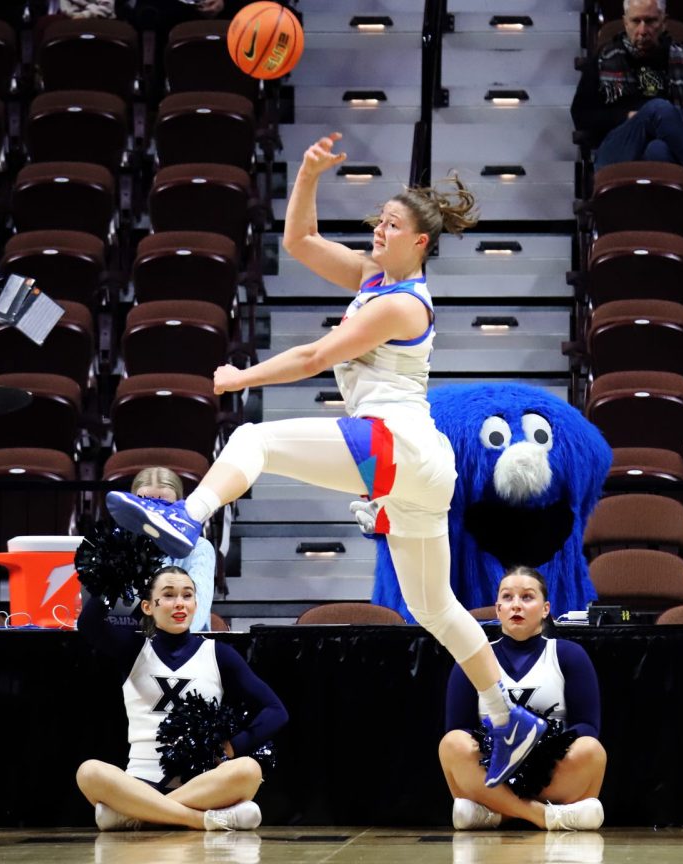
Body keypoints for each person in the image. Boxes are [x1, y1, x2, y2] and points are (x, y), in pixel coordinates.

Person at [107, 131, 548, 789]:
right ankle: (506, 715)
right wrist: (309, 173)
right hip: (420, 466)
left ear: (419, 242)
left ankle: (188, 516)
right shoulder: (374, 277)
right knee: (434, 607)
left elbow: (318, 357)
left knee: (253, 441)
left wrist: (239, 378)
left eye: (391, 225)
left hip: (397, 443)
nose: (379, 231)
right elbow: (299, 244)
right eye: (378, 221)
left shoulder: (402, 301)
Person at [76, 565, 286, 831]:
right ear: (148, 607)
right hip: (140, 781)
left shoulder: (218, 653)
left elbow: (275, 710)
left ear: (196, 604)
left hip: (202, 784)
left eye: (187, 596)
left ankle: (136, 815)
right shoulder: (133, 650)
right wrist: (114, 576)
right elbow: (89, 624)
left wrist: (232, 747)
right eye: (169, 595)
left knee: (248, 770)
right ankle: (200, 819)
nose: (179, 603)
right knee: (89, 772)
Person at [439, 567, 605, 832]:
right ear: (497, 609)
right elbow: (457, 727)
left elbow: (588, 725)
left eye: (527, 597)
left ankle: (496, 814)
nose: (516, 604)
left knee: (592, 750)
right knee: (452, 745)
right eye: (507, 597)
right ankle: (545, 816)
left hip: (549, 769)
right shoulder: (471, 660)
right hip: (492, 768)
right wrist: (500, 749)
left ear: (545, 609)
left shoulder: (569, 655)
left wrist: (538, 750)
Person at [570, 0, 683, 183]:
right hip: (616, 151)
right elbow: (581, 116)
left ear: (664, 22)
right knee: (658, 109)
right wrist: (627, 117)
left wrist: (672, 128)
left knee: (657, 150)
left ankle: (658, 205)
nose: (642, 30)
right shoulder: (602, 61)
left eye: (650, 21)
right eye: (635, 21)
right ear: (625, 22)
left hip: (672, 153)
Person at [129, 467, 216, 633]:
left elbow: (193, 619)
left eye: (164, 505)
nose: (154, 513)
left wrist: (162, 544)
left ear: (179, 508)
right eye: (146, 504)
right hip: (126, 643)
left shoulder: (200, 548)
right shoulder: (119, 548)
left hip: (184, 647)